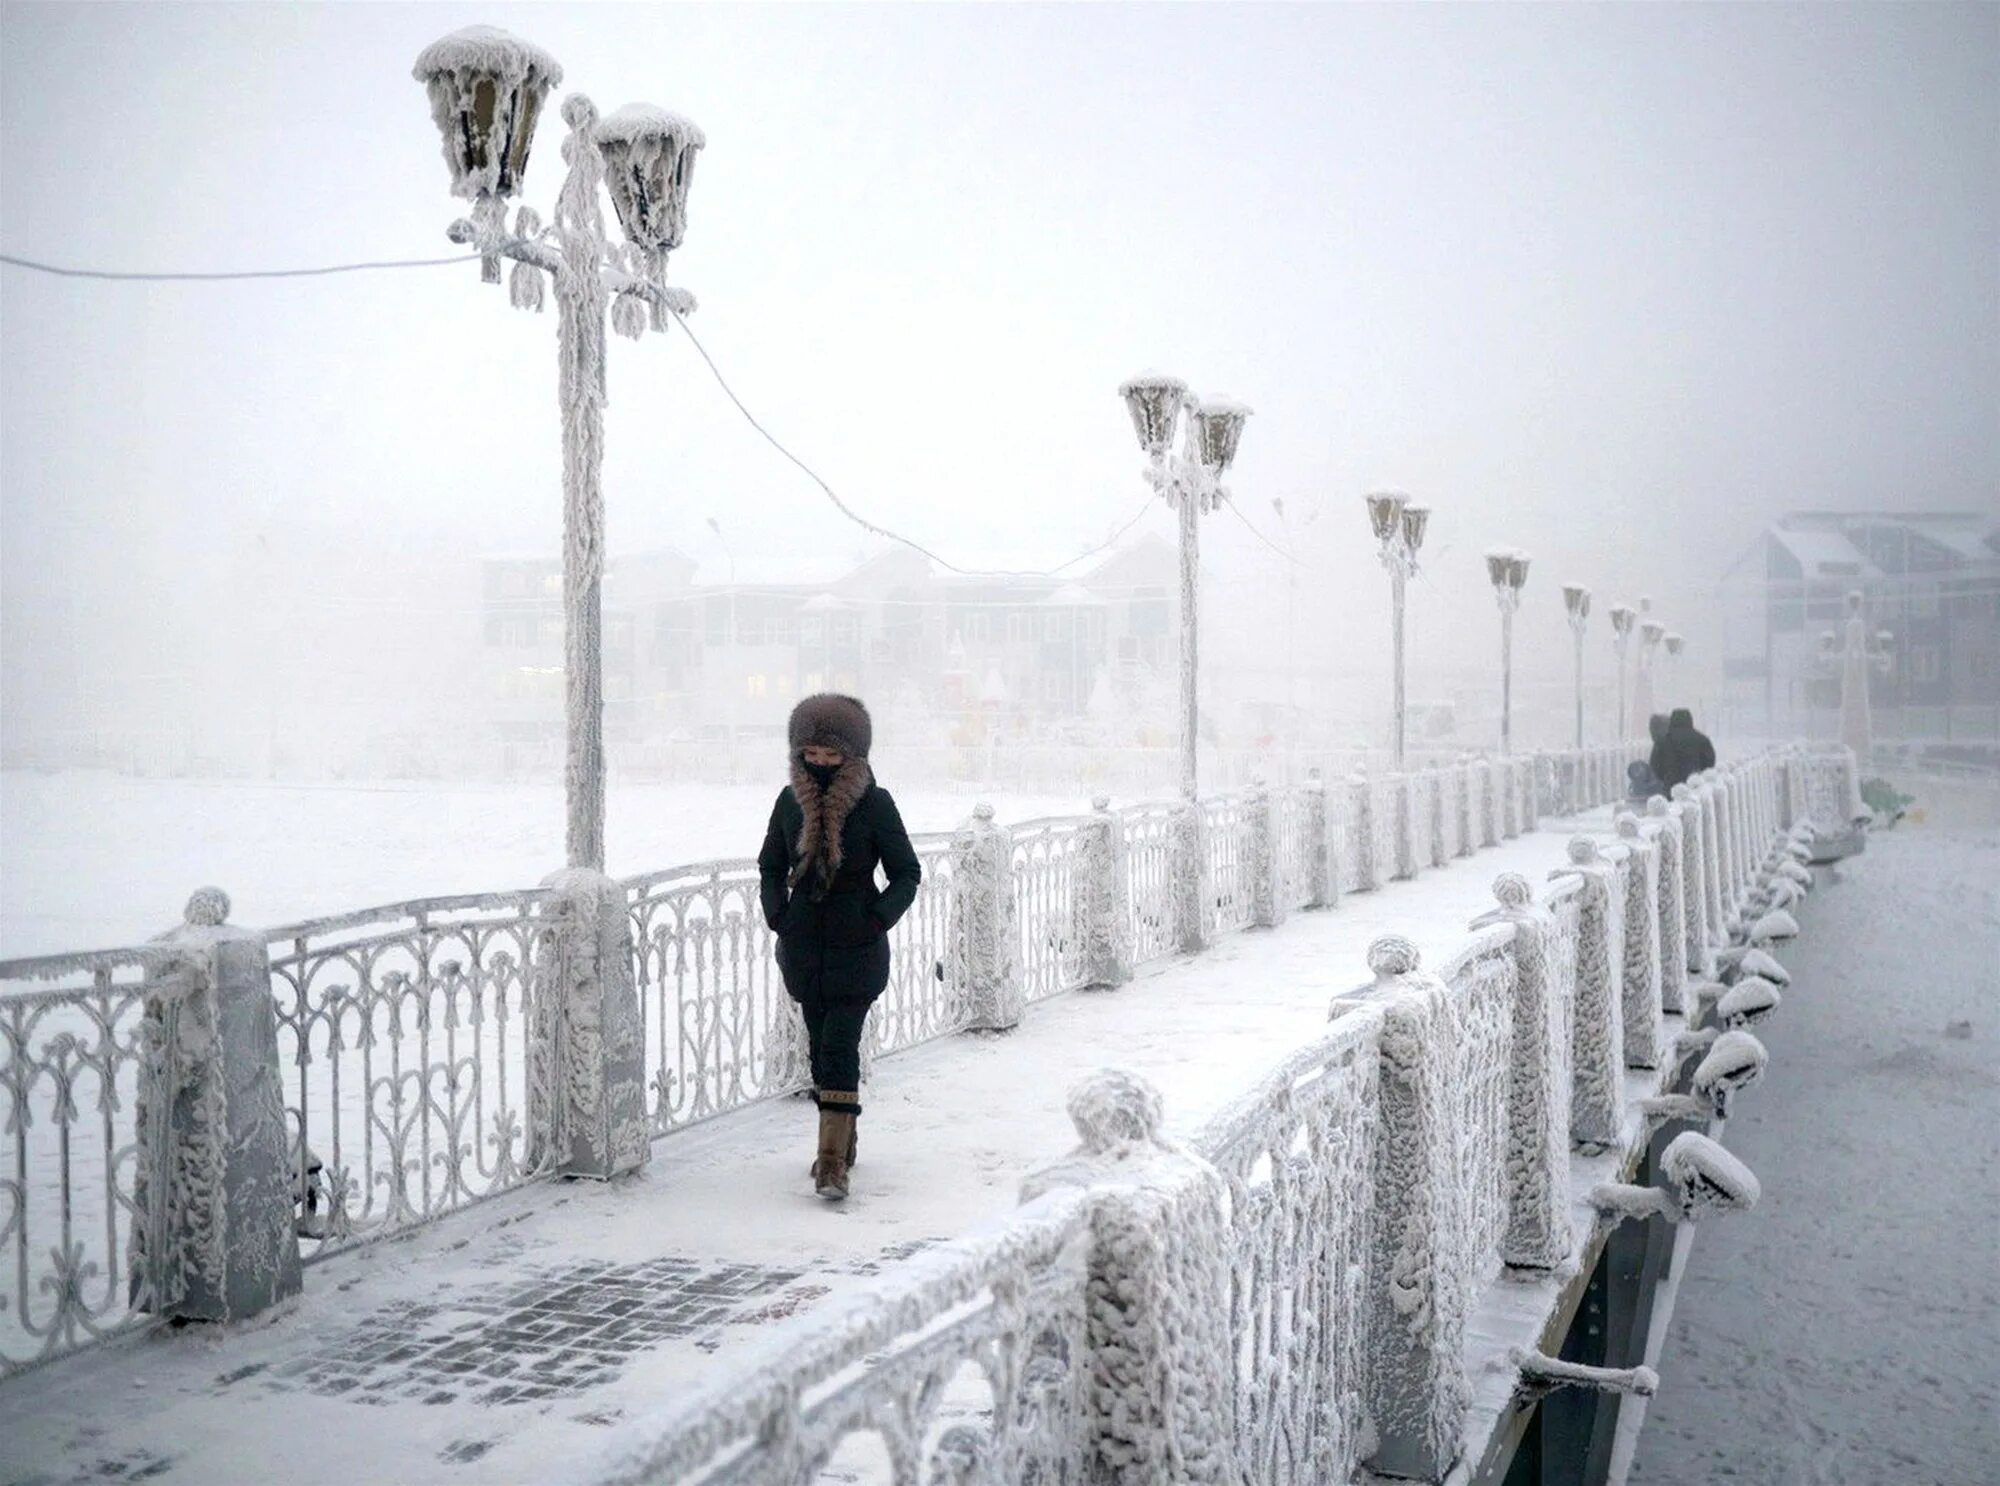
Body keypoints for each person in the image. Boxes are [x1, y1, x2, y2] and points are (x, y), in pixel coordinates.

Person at [757, 694, 921, 1201]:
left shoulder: (875, 804)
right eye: (812, 753)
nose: (822, 763)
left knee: (839, 1046)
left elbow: (906, 873)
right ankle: (843, 1137)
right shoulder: (789, 803)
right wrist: (779, 916)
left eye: (833, 755)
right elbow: (769, 864)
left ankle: (830, 1163)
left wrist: (874, 919)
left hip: (856, 947)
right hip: (804, 946)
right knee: (817, 1048)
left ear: (855, 755)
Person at [1651, 706, 1717, 791]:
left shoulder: (1663, 741)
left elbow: (1655, 763)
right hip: (1695, 787)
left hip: (1671, 786)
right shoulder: (1701, 739)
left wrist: (1665, 777)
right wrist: (1699, 775)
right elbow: (1709, 762)